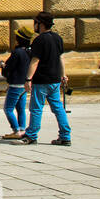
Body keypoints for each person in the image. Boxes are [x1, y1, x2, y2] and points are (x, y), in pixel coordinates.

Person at [21, 13, 71, 146]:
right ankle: (65, 136)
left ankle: (31, 135)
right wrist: (63, 75)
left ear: (41, 24)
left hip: (41, 80)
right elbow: (61, 58)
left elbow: (35, 61)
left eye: (35, 23)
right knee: (58, 108)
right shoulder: (57, 38)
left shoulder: (39, 40)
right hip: (54, 80)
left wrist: (28, 79)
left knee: (36, 108)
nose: (34, 26)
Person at [0, 25, 34, 140]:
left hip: (15, 84)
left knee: (8, 109)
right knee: (20, 108)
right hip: (24, 84)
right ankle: (22, 129)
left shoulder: (17, 52)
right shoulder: (30, 52)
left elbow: (9, 68)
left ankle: (16, 130)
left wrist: (2, 66)